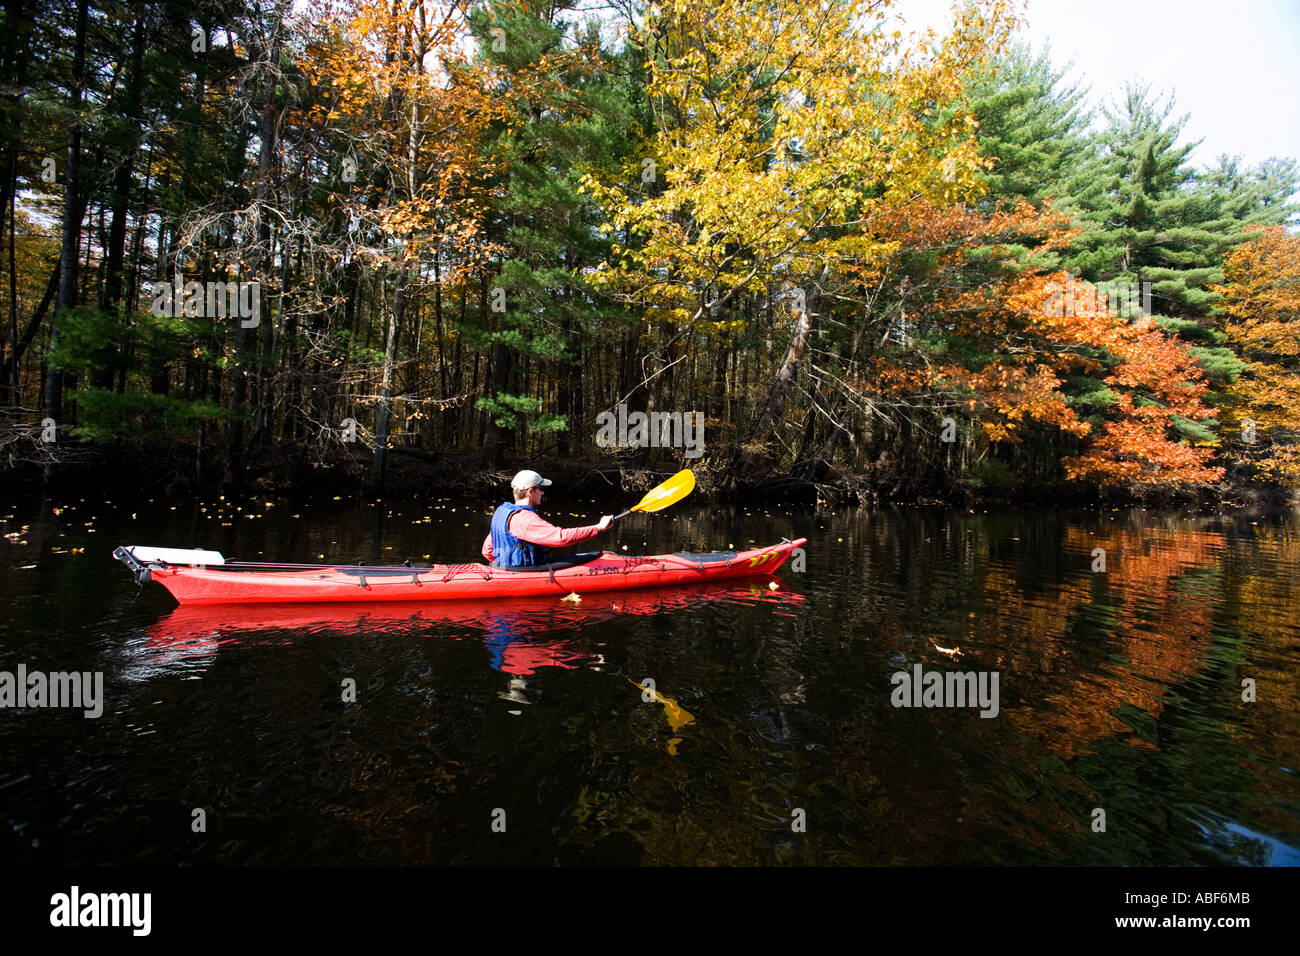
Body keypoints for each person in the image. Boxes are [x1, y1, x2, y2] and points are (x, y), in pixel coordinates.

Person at [482, 470, 614, 568]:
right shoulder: (525, 519)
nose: (543, 492)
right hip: (523, 573)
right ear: (530, 492)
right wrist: (598, 527)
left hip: (504, 569)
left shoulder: (502, 512)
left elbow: (487, 551)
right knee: (590, 557)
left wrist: (504, 566)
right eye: (540, 488)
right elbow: (561, 538)